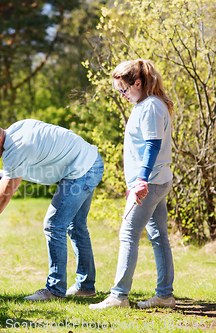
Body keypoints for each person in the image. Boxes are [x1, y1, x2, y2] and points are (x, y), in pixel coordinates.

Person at [0, 120, 104, 301]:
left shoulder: (16, 148)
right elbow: (35, 159)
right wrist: (7, 174)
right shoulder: (16, 129)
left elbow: (2, 198)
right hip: (90, 160)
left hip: (82, 170)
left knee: (53, 225)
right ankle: (85, 286)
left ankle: (54, 290)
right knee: (76, 226)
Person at [90, 59, 175, 310]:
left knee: (128, 234)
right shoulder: (146, 104)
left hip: (150, 183)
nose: (122, 95)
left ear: (137, 83)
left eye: (123, 90)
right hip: (157, 181)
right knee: (159, 237)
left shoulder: (150, 106)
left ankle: (119, 296)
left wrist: (141, 180)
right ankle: (164, 296)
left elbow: (152, 144)